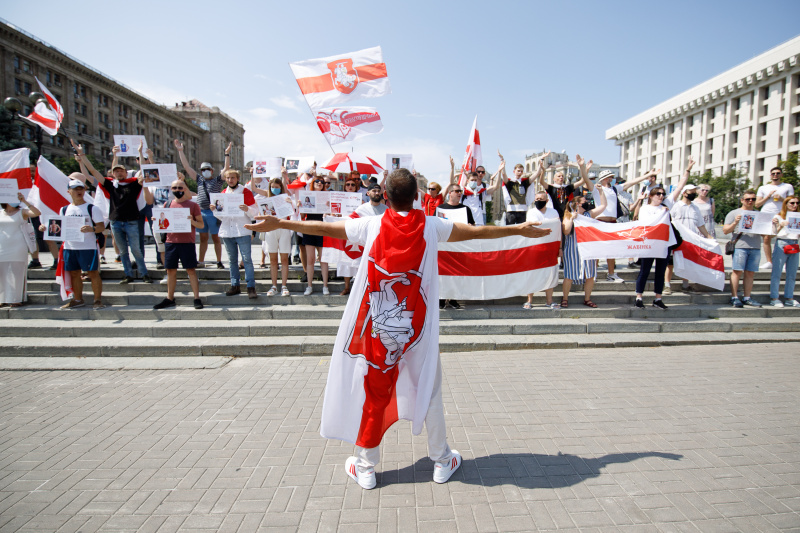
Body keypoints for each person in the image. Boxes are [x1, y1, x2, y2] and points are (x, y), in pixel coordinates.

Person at [244, 168, 551, 490]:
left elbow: (324, 228)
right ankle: (442, 460)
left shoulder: (372, 224)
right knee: (429, 390)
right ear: (417, 196)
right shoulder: (432, 225)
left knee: (376, 391)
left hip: (380, 330)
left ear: (385, 197)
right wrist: (518, 229)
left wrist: (280, 223)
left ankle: (365, 466)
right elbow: (475, 232)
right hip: (417, 329)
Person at [78, 142, 153, 285]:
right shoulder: (110, 185)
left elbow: (144, 172)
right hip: (116, 222)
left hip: (131, 221)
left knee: (136, 250)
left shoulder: (133, 184)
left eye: (121, 171)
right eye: (116, 171)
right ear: (113, 174)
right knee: (123, 251)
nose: (119, 173)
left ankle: (144, 274)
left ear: (126, 173)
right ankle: (128, 274)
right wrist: (82, 155)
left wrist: (139, 153)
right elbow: (93, 171)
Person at [153, 180, 204, 310]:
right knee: (170, 271)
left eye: (180, 187)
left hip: (187, 242)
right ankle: (170, 298)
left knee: (191, 270)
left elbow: (201, 224)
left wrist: (191, 221)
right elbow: (164, 223)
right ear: (171, 189)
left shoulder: (193, 205)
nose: (177, 189)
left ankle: (196, 298)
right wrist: (157, 219)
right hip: (171, 242)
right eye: (174, 187)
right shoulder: (168, 203)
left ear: (185, 189)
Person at [174, 139, 225, 269]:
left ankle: (219, 261)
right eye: (203, 170)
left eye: (207, 169)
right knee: (203, 238)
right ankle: (201, 261)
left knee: (216, 238)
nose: (205, 171)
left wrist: (227, 155)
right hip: (201, 212)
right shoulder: (199, 180)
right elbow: (187, 167)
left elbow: (226, 169)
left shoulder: (217, 181)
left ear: (212, 171)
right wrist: (180, 151)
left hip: (213, 212)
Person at [56, 179, 106, 310]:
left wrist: (92, 229)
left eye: (81, 189)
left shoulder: (92, 208)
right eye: (76, 189)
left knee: (93, 273)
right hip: (70, 246)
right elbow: (59, 227)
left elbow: (101, 227)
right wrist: (46, 228)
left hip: (87, 246)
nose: (79, 191)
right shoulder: (64, 209)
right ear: (69, 191)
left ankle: (97, 300)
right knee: (74, 273)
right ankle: (78, 299)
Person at [216, 169, 258, 299]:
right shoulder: (223, 193)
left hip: (242, 230)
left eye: (233, 178)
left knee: (247, 260)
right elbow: (221, 217)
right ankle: (235, 285)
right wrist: (216, 211)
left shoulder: (245, 192)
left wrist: (247, 209)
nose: (230, 180)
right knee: (232, 260)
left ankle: (251, 287)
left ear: (237, 178)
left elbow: (255, 213)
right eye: (228, 178)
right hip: (228, 231)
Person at [561, 188, 607, 308]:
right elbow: (566, 231)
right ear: (577, 204)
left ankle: (587, 298)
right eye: (584, 201)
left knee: (590, 275)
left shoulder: (588, 214)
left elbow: (603, 206)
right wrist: (572, 218)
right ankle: (565, 298)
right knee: (569, 275)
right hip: (573, 249)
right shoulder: (568, 215)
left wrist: (601, 192)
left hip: (588, 248)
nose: (587, 203)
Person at [632, 187, 673, 310]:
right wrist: (661, 213)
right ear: (651, 196)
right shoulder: (645, 208)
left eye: (663, 194)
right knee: (645, 270)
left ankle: (658, 298)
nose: (661, 196)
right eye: (658, 194)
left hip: (663, 243)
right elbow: (647, 224)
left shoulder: (665, 208)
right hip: (649, 243)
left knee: (660, 272)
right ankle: (639, 297)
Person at [252, 177, 293, 297]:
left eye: (277, 187)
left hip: (284, 229)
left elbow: (292, 206)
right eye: (273, 187)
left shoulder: (285, 196)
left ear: (281, 187)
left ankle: (284, 285)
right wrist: (253, 174)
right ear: (270, 187)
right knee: (273, 260)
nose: (275, 189)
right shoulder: (266, 197)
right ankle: (274, 285)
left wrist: (283, 174)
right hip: (270, 230)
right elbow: (254, 188)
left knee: (284, 259)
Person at [723, 190, 763, 308]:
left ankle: (747, 297)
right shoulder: (734, 213)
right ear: (742, 200)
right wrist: (735, 222)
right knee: (737, 271)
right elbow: (725, 231)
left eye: (753, 199)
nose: (750, 201)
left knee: (750, 273)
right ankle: (734, 297)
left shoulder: (758, 214)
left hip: (755, 246)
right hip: (740, 246)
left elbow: (766, 233)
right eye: (747, 199)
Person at [0, 192, 40, 307]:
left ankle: (15, 298)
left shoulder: (22, 212)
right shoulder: (0, 213)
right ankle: (2, 298)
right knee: (1, 273)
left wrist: (25, 201)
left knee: (17, 272)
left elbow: (37, 213)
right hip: (2, 245)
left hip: (18, 245)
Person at [523, 190, 560, 309]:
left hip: (550, 247)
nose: (539, 201)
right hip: (535, 247)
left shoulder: (553, 212)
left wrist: (560, 248)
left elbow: (558, 230)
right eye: (537, 199)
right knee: (532, 274)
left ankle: (549, 301)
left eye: (541, 199)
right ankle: (529, 301)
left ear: (547, 201)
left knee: (550, 274)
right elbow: (533, 226)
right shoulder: (531, 212)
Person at [756, 166, 794, 270]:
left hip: (781, 214)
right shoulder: (763, 188)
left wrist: (782, 198)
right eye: (773, 173)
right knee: (766, 238)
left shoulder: (787, 186)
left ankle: (785, 262)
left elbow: (792, 201)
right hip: (766, 214)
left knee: (785, 237)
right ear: (770, 175)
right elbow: (757, 204)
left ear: (781, 175)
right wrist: (768, 197)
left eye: (778, 173)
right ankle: (769, 261)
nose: (775, 175)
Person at [537, 154, 593, 220]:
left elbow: (582, 181)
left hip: (566, 215)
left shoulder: (567, 187)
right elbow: (541, 182)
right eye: (558, 176)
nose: (561, 177)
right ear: (554, 179)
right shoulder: (551, 188)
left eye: (562, 176)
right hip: (554, 215)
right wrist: (543, 171)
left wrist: (584, 168)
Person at [302, 177, 331, 295]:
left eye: (322, 182)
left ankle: (325, 286)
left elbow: (330, 214)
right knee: (310, 259)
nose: (319, 183)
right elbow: (302, 215)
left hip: (322, 227)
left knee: (324, 259)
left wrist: (328, 207)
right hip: (309, 227)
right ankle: (309, 286)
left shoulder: (327, 196)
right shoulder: (306, 195)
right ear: (312, 184)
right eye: (317, 182)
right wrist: (300, 206)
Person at [769, 196, 800, 307]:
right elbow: (773, 234)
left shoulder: (798, 216)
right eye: (792, 203)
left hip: (794, 242)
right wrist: (780, 226)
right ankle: (774, 297)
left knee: (792, 273)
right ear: (786, 204)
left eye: (797, 203)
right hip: (781, 242)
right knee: (777, 272)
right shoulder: (779, 216)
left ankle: (789, 297)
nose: (795, 205)